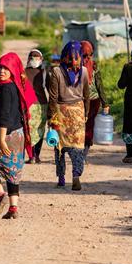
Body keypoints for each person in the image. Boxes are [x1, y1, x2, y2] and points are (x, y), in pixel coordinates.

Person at [0, 52, 37, 219]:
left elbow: (5, 114)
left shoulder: (6, 88)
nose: (1, 71)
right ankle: (13, 209)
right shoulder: (13, 86)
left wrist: (1, 138)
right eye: (0, 67)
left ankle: (1, 196)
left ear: (13, 69)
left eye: (6, 68)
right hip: (16, 134)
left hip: (5, 135)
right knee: (13, 172)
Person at [46, 41, 90, 190]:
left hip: (60, 111)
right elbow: (86, 95)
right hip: (78, 112)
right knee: (77, 147)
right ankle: (76, 175)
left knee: (59, 146)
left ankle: (61, 178)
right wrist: (86, 113)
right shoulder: (84, 71)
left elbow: (53, 97)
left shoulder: (56, 72)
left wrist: (50, 116)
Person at [80, 41, 108, 150]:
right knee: (89, 124)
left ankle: (81, 146)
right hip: (93, 100)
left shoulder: (75, 64)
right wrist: (105, 103)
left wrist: (105, 103)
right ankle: (85, 146)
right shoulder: (94, 65)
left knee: (79, 124)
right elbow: (99, 85)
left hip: (80, 100)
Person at [24, 49, 48, 164]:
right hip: (41, 104)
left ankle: (32, 156)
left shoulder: (23, 72)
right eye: (33, 57)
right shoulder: (44, 72)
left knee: (30, 130)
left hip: (30, 104)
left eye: (36, 57)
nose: (34, 59)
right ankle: (36, 156)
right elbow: (50, 89)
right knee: (39, 130)